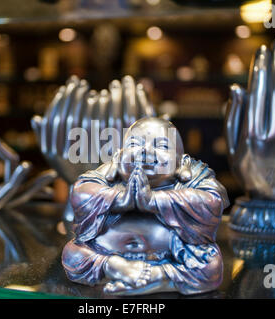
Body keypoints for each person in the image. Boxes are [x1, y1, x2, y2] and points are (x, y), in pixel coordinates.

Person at [62, 117, 229, 295]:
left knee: (211, 264)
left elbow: (213, 199)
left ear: (182, 162)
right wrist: (120, 199)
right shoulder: (110, 179)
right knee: (73, 254)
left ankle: (159, 276)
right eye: (134, 144)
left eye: (162, 146)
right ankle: (116, 268)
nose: (146, 152)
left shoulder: (192, 179)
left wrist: (154, 201)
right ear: (118, 156)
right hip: (106, 254)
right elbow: (81, 191)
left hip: (166, 257)